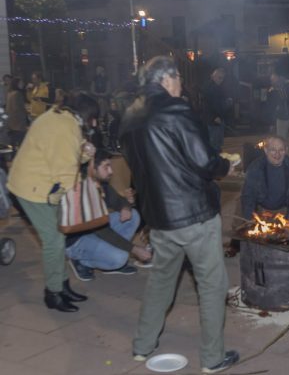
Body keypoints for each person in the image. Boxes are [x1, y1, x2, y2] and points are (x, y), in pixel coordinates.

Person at [119, 56, 239, 373]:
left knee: (161, 281)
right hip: (194, 215)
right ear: (168, 79)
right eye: (179, 80)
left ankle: (142, 346)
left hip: (159, 218)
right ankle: (213, 358)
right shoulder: (175, 108)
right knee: (212, 285)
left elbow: (145, 168)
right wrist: (227, 166)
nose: (181, 86)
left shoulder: (129, 116)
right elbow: (204, 162)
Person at [7, 92, 98, 312]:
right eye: (94, 118)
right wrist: (76, 197)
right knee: (54, 240)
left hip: (35, 184)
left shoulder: (59, 118)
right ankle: (53, 293)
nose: (94, 123)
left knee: (57, 237)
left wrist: (84, 154)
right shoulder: (65, 127)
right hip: (33, 189)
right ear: (86, 115)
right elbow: (65, 170)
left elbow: (66, 155)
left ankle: (62, 285)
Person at [66, 149, 151, 281]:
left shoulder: (99, 182)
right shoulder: (82, 190)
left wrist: (125, 207)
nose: (111, 171)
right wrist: (133, 249)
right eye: (106, 166)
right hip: (77, 242)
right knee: (120, 258)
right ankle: (81, 261)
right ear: (92, 168)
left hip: (94, 231)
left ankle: (107, 253)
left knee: (133, 215)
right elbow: (103, 231)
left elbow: (117, 200)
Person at [201, 67, 230, 152]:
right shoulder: (209, 88)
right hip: (213, 120)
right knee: (214, 144)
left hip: (218, 118)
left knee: (218, 143)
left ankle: (218, 162)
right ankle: (215, 163)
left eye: (222, 78)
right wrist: (214, 117)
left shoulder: (217, 87)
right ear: (213, 76)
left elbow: (219, 103)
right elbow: (207, 105)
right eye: (219, 77)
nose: (221, 80)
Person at [5, 77, 29, 148]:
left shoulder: (10, 93)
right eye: (21, 83)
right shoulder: (17, 93)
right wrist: (25, 112)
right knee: (22, 141)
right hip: (18, 121)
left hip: (11, 120)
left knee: (14, 140)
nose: (23, 84)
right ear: (16, 84)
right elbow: (17, 108)